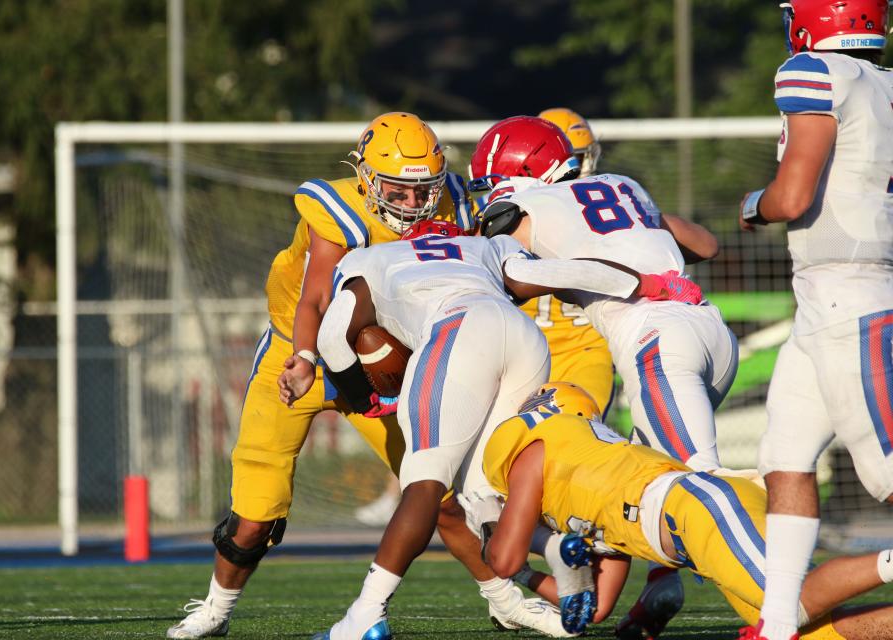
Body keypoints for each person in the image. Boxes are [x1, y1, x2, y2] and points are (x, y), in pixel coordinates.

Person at [281, 219, 701, 640]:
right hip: (523, 338)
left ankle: (365, 615)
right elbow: (565, 272)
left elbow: (335, 335)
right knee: (485, 496)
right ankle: (559, 547)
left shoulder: (372, 258)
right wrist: (647, 284)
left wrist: (364, 397)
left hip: (454, 329)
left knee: (424, 482)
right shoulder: (485, 248)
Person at [166, 112, 475, 639]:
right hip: (297, 351)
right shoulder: (338, 212)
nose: (411, 204)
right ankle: (216, 609)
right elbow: (314, 298)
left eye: (421, 190)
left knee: (442, 491)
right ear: (367, 179)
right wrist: (306, 359)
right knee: (255, 515)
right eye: (398, 191)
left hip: (381, 362)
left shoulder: (454, 205)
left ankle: (508, 596)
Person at [471, 115, 738, 638]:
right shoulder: (625, 186)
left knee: (705, 495)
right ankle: (659, 586)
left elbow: (513, 259)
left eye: (490, 180)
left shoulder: (521, 206)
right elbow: (706, 246)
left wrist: (531, 277)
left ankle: (783, 612)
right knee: (639, 490)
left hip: (658, 341)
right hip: (710, 332)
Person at [477, 381, 893, 640]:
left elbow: (504, 555)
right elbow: (595, 606)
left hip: (696, 507)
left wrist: (497, 544)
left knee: (789, 604)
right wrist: (530, 574)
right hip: (698, 522)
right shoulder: (590, 476)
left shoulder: (536, 449)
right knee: (810, 633)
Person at [738, 2, 893, 639]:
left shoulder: (813, 68)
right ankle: (776, 626)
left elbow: (793, 195)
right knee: (785, 456)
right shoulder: (882, 82)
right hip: (832, 296)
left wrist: (755, 204)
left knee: (887, 473)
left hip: (848, 300)